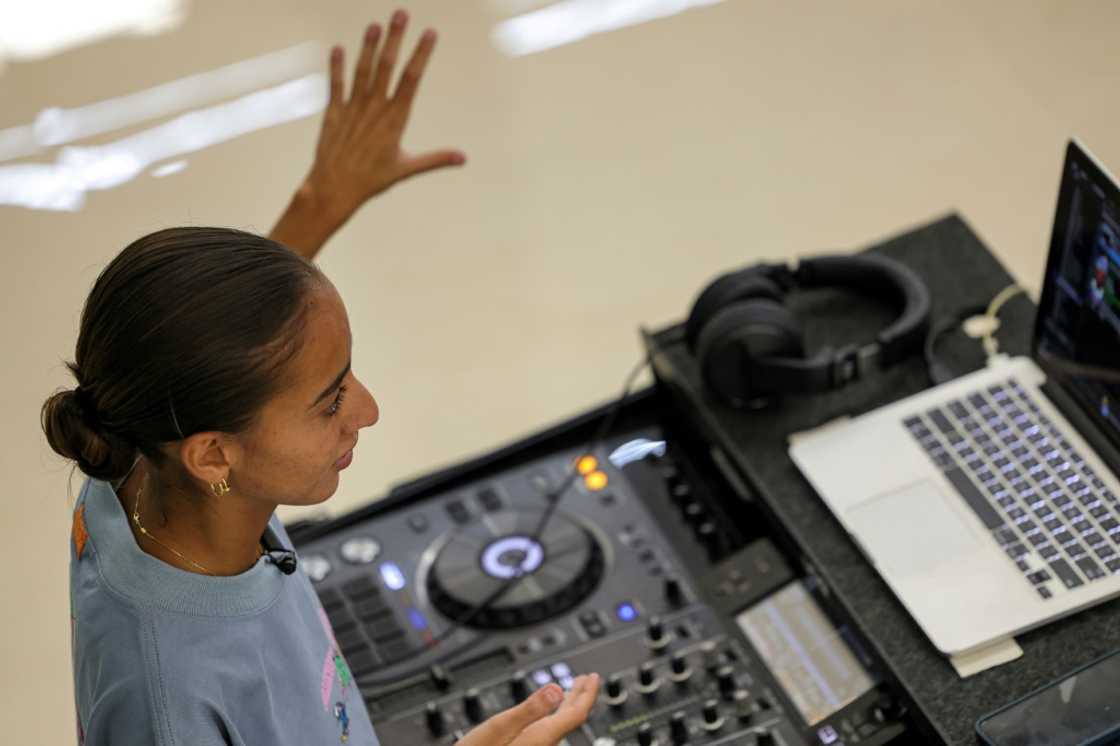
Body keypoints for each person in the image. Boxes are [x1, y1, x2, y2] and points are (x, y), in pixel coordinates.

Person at [42, 10, 601, 745]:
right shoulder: (172, 705)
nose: (365, 410)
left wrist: (320, 203)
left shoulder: (136, 456)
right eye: (331, 398)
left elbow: (218, 349)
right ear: (215, 453)